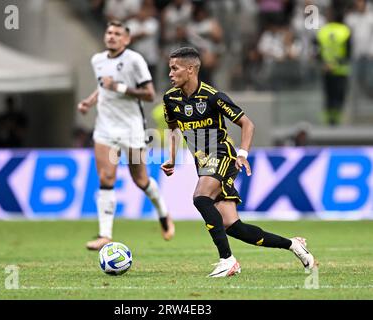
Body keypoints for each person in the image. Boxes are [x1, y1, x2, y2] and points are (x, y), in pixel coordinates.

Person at [160, 47, 315, 277]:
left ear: (190, 70)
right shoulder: (170, 99)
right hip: (202, 162)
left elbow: (247, 124)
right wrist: (172, 158)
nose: (170, 73)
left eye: (175, 68)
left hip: (223, 155)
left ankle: (228, 260)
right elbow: (173, 129)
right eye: (170, 68)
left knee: (201, 198)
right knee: (233, 226)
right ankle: (294, 245)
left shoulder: (213, 96)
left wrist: (242, 153)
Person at [78, 20, 175, 250]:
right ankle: (105, 235)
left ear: (126, 39)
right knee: (105, 178)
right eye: (109, 32)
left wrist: (119, 88)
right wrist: (89, 102)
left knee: (140, 180)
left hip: (131, 128)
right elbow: (103, 86)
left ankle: (163, 214)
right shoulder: (97, 60)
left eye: (117, 33)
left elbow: (150, 94)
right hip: (104, 127)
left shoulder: (134, 60)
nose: (111, 36)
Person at [316, 9, 351, 126]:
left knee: (328, 97)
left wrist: (326, 63)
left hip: (326, 70)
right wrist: (336, 63)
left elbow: (318, 52)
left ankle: (328, 123)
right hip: (341, 71)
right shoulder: (345, 31)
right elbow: (349, 53)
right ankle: (337, 123)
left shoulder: (323, 31)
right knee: (339, 97)